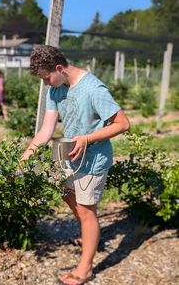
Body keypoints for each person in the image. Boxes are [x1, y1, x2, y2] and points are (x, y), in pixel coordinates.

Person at [22, 45, 130, 285]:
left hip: (92, 159)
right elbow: (47, 129)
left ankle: (86, 268)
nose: (46, 84)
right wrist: (28, 153)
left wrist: (87, 138)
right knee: (63, 191)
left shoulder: (93, 89)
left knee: (85, 210)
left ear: (59, 68)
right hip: (66, 153)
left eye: (47, 77)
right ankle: (87, 231)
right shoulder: (55, 90)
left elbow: (123, 124)